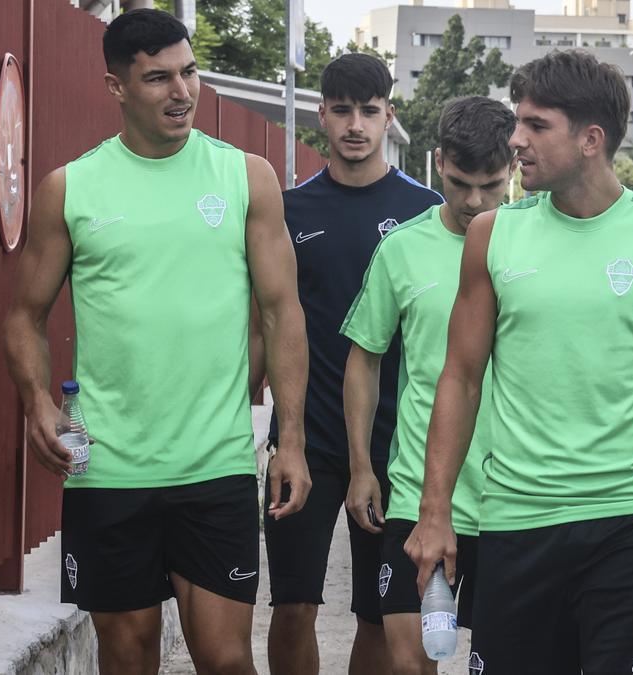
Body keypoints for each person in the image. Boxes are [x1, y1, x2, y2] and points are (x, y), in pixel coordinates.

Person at [405, 50, 633, 674]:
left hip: (632, 522)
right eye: (518, 122)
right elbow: (460, 377)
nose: (516, 140)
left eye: (536, 125)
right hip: (516, 519)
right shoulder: (492, 237)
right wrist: (436, 510)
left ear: (591, 139)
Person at [1, 9, 310, 674]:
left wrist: (292, 439)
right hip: (110, 470)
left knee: (227, 659)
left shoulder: (245, 178)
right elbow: (24, 313)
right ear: (116, 87)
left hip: (216, 464)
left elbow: (284, 312)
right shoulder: (71, 189)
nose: (183, 92)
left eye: (190, 72)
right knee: (129, 652)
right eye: (159, 78)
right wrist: (38, 404)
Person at [256, 53, 443, 675]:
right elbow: (267, 323)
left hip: (395, 446)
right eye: (342, 111)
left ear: (389, 116)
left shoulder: (427, 211)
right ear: (322, 117)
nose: (356, 125)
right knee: (291, 607)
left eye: (369, 111)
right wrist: (279, 433)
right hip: (304, 440)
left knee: (379, 615)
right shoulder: (289, 211)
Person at [341, 96, 515, 675]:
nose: (473, 201)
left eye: (489, 185)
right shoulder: (402, 248)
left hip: (514, 502)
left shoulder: (537, 243)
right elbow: (364, 359)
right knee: (411, 666)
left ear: (512, 169)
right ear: (438, 161)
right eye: (461, 182)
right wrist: (362, 466)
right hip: (420, 497)